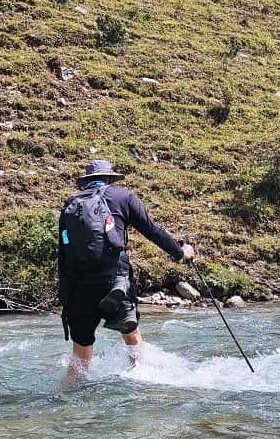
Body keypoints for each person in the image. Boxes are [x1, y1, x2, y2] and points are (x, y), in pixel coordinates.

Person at [58, 159, 194, 376]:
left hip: (79, 287)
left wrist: (66, 295)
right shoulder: (123, 197)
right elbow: (152, 230)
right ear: (110, 179)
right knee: (132, 336)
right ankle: (142, 380)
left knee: (80, 356)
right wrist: (180, 252)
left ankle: (67, 401)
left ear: (86, 182)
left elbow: (63, 252)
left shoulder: (70, 205)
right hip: (115, 282)